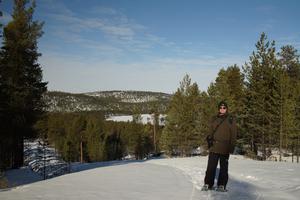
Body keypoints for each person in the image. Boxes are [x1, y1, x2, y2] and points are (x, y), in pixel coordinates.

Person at [202, 101, 237, 192]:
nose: (222, 109)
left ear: (227, 109)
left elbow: (233, 135)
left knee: (223, 168)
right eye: (221, 107)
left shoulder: (231, 119)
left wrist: (231, 147)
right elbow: (210, 131)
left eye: (224, 107)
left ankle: (221, 185)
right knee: (211, 167)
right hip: (214, 146)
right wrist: (209, 140)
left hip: (225, 147)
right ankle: (208, 184)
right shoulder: (214, 118)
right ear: (218, 109)